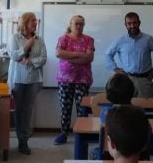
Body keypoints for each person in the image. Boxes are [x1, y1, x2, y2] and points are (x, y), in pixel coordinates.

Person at [7, 12, 47, 155]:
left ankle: (24, 140)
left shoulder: (40, 39)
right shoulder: (14, 37)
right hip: (18, 79)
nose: (35, 23)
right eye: (32, 21)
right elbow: (13, 55)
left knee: (28, 110)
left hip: (34, 80)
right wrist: (26, 46)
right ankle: (21, 140)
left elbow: (43, 58)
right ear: (25, 23)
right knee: (19, 110)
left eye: (36, 21)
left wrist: (29, 62)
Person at [54, 14, 95, 145]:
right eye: (76, 23)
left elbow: (89, 58)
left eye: (81, 24)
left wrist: (68, 56)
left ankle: (82, 133)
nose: (78, 26)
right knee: (65, 107)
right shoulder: (63, 39)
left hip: (83, 80)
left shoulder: (89, 40)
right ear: (70, 25)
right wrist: (79, 54)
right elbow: (59, 53)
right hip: (65, 80)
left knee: (82, 108)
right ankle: (63, 133)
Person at [105, 12, 153, 98]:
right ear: (125, 25)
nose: (132, 26)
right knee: (126, 107)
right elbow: (108, 54)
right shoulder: (120, 40)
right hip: (126, 80)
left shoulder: (148, 39)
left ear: (139, 23)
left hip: (144, 80)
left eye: (135, 23)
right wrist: (115, 69)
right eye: (129, 23)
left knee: (144, 108)